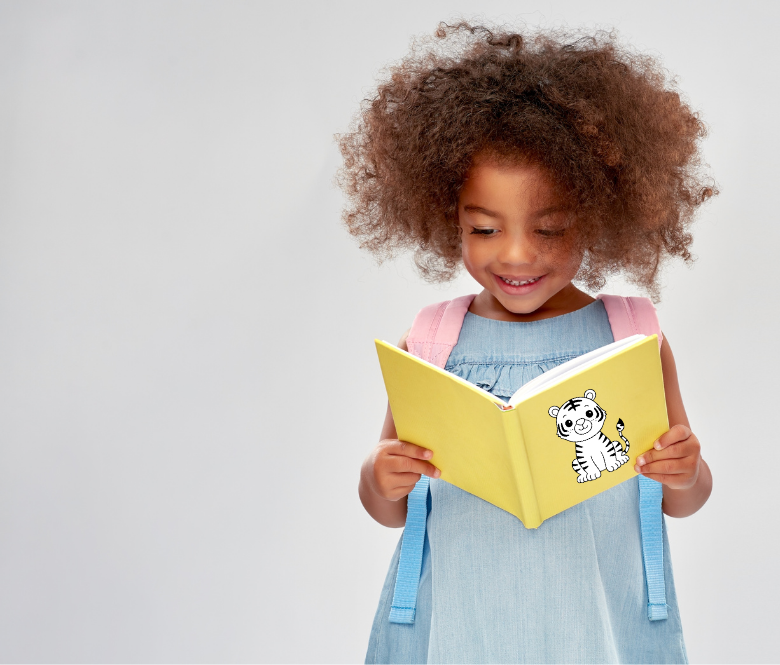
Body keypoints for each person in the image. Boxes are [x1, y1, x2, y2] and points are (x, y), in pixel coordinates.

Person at [338, 23, 714, 664]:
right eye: (484, 228)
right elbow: (390, 511)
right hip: (457, 624)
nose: (516, 254)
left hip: (595, 624)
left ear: (598, 215)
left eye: (550, 228)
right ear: (446, 214)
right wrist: (380, 477)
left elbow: (684, 499)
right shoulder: (431, 342)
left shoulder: (634, 339)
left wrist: (686, 470)